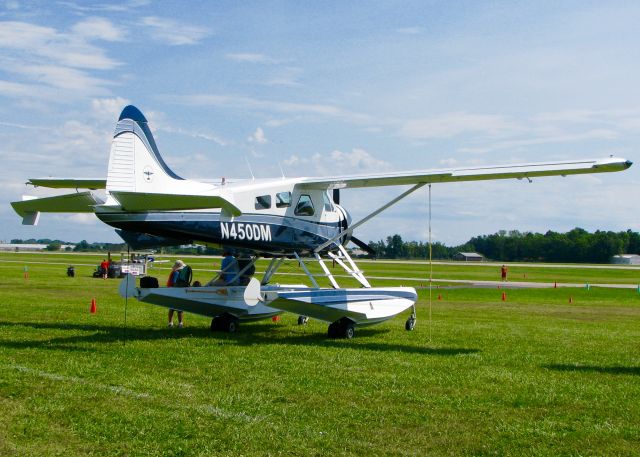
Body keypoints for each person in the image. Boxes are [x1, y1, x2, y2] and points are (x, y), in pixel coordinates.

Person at [167, 260, 189, 328]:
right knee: (179, 308)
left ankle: (171, 323)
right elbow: (174, 283)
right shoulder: (176, 273)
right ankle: (179, 323)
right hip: (175, 291)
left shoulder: (175, 272)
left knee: (172, 308)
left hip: (173, 291)